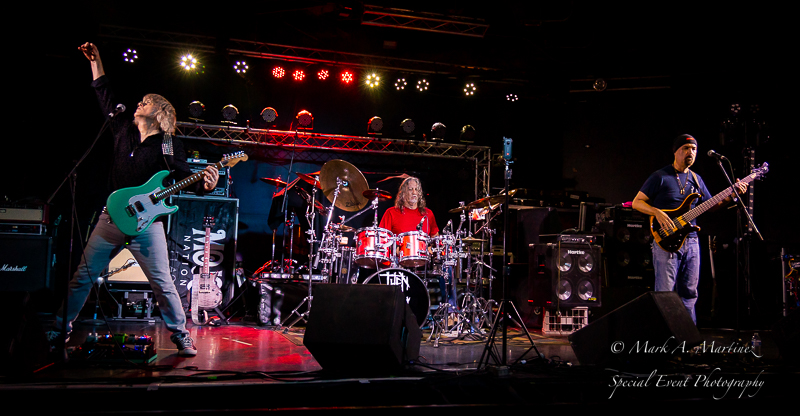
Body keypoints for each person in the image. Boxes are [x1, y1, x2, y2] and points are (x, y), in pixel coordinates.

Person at [47, 42, 220, 356]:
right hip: (111, 218)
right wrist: (96, 61)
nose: (139, 103)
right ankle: (60, 329)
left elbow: (183, 176)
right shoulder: (122, 130)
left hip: (147, 225)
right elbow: (104, 93)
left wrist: (206, 185)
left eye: (146, 102)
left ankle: (181, 335)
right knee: (83, 276)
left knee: (162, 282)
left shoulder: (169, 144)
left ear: (160, 113)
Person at [632, 134, 747, 324]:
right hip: (666, 241)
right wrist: (657, 212)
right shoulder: (660, 176)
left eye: (694, 149)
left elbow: (711, 205)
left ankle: (688, 337)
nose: (690, 152)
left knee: (689, 293)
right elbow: (637, 202)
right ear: (675, 151)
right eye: (686, 148)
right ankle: (665, 337)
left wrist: (732, 196)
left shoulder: (696, 178)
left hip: (691, 241)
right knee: (665, 294)